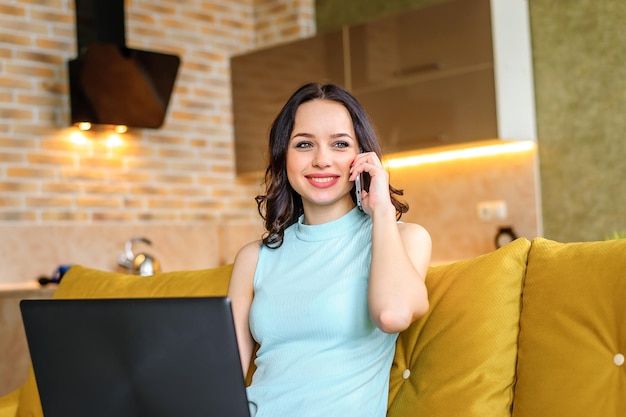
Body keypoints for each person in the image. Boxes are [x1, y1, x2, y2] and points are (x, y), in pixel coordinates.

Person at [228, 82, 431, 417]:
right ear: (284, 157)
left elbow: (392, 314)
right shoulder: (253, 258)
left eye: (340, 144)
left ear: (363, 157)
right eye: (304, 144)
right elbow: (222, 375)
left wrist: (380, 210)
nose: (322, 160)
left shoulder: (404, 238)